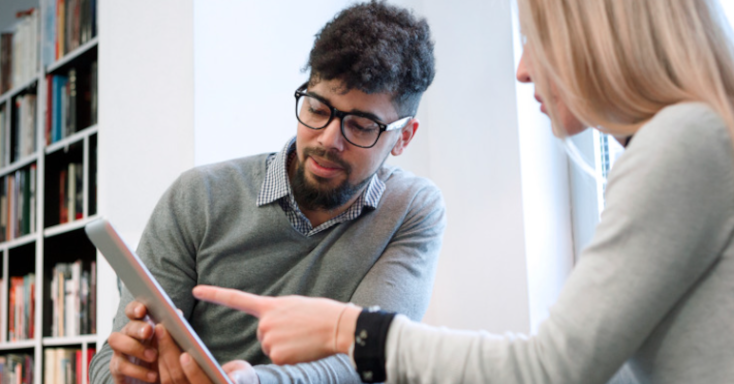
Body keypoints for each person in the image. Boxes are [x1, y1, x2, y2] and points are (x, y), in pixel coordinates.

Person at [190, 0, 734, 383]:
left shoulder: (683, 141)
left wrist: (344, 328)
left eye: (535, 42)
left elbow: (550, 369)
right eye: (319, 108)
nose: (522, 71)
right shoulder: (683, 144)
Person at [88, 2, 446, 384]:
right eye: (317, 106)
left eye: (360, 126)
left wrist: (253, 382)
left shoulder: (410, 210)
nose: (328, 139)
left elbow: (370, 358)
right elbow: (108, 363)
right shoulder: (197, 198)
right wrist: (129, 375)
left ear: (403, 137)